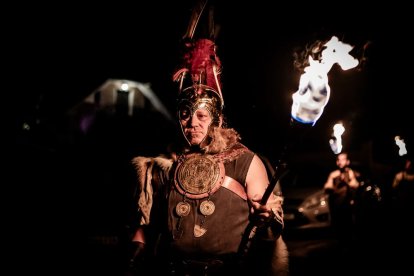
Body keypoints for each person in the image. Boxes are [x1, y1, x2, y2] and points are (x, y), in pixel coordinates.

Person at [125, 5, 288, 274]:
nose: (192, 123)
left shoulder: (243, 160)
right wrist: (135, 252)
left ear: (216, 119)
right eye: (186, 115)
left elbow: (268, 223)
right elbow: (149, 226)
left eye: (201, 115)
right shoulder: (166, 165)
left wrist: (266, 217)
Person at [324, 152, 360, 245]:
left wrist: (348, 178)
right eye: (338, 160)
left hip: (348, 207)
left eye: (343, 159)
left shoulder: (353, 173)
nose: (340, 162)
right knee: (338, 231)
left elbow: (356, 185)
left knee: (350, 229)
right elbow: (327, 187)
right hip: (337, 207)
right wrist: (335, 181)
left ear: (347, 161)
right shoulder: (333, 174)